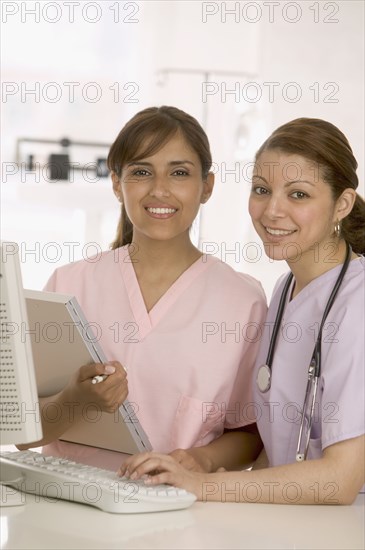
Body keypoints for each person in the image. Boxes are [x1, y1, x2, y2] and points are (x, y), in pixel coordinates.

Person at [118, 118, 365, 504]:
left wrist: (201, 487)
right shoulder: (286, 290)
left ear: (342, 205)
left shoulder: (357, 303)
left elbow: (341, 479)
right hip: (299, 524)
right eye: (262, 190)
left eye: (298, 195)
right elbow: (281, 447)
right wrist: (196, 468)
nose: (272, 211)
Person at [20, 106, 267, 472]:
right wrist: (75, 400)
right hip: (66, 511)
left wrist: (198, 459)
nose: (160, 189)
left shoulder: (243, 302)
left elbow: (251, 434)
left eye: (179, 172)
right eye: (141, 172)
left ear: (207, 187)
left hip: (179, 516)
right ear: (117, 184)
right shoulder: (68, 285)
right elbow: (22, 431)